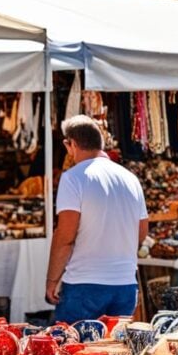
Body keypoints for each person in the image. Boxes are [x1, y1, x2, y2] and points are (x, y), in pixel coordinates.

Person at [45, 115, 148, 322]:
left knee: (73, 351)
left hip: (84, 284)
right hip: (124, 284)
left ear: (71, 144)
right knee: (116, 352)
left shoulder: (73, 177)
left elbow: (65, 236)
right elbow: (142, 231)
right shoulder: (130, 178)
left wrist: (52, 280)